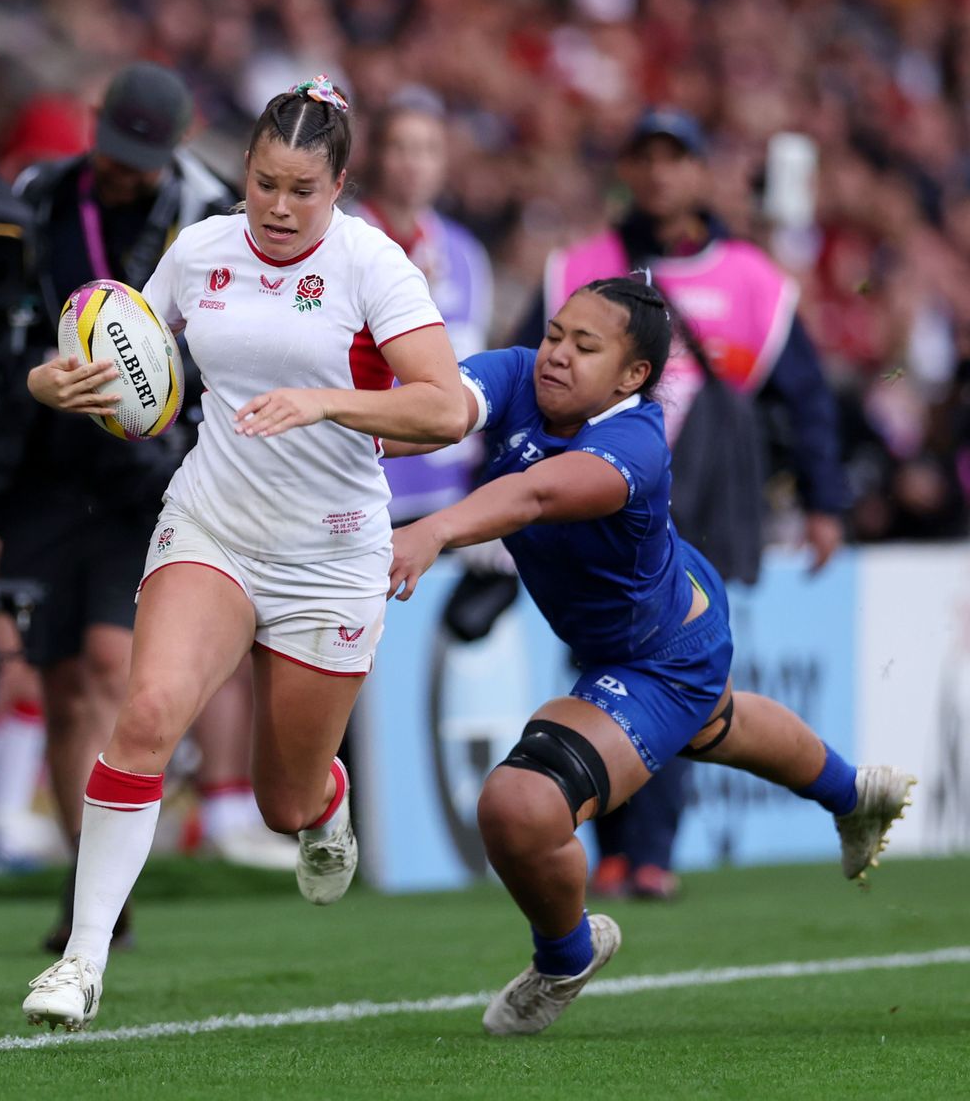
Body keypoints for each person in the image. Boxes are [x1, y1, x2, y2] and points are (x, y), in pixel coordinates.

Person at [19, 75, 468, 1031]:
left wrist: (327, 401)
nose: (275, 205)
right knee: (146, 714)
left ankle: (325, 798)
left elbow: (447, 407)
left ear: (341, 186)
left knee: (283, 800)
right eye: (263, 182)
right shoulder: (200, 248)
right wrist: (59, 382)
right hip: (214, 521)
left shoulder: (372, 266)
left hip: (333, 552)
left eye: (301, 189)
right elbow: (120, 346)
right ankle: (81, 962)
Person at [385, 276, 915, 1036]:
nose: (557, 354)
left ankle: (565, 956)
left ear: (632, 376)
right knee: (714, 723)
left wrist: (434, 531)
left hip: (659, 654)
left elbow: (533, 496)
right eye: (557, 333)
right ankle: (855, 794)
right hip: (667, 606)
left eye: (584, 346)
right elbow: (430, 417)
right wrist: (323, 416)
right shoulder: (516, 372)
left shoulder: (636, 440)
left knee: (519, 806)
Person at [515, 108, 854, 901]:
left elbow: (804, 396)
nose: (660, 174)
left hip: (699, 502)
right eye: (645, 157)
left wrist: (825, 502)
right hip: (598, 502)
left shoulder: (753, 280)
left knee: (668, 669)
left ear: (701, 173)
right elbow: (531, 371)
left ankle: (648, 854)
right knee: (612, 667)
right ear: (625, 171)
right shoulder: (583, 264)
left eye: (675, 158)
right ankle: (623, 849)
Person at [0, 61, 252, 952]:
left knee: (109, 664)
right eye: (111, 152)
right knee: (61, 686)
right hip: (49, 469)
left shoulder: (214, 218)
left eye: (141, 160)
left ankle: (110, 868)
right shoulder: (41, 192)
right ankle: (87, 879)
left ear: (177, 145)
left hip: (153, 477)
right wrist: (37, 373)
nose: (121, 172)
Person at [353, 85, 493, 523]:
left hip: (442, 493)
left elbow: (473, 363)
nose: (414, 163)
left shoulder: (466, 254)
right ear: (376, 154)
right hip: (356, 489)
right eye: (401, 147)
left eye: (429, 149)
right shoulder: (341, 239)